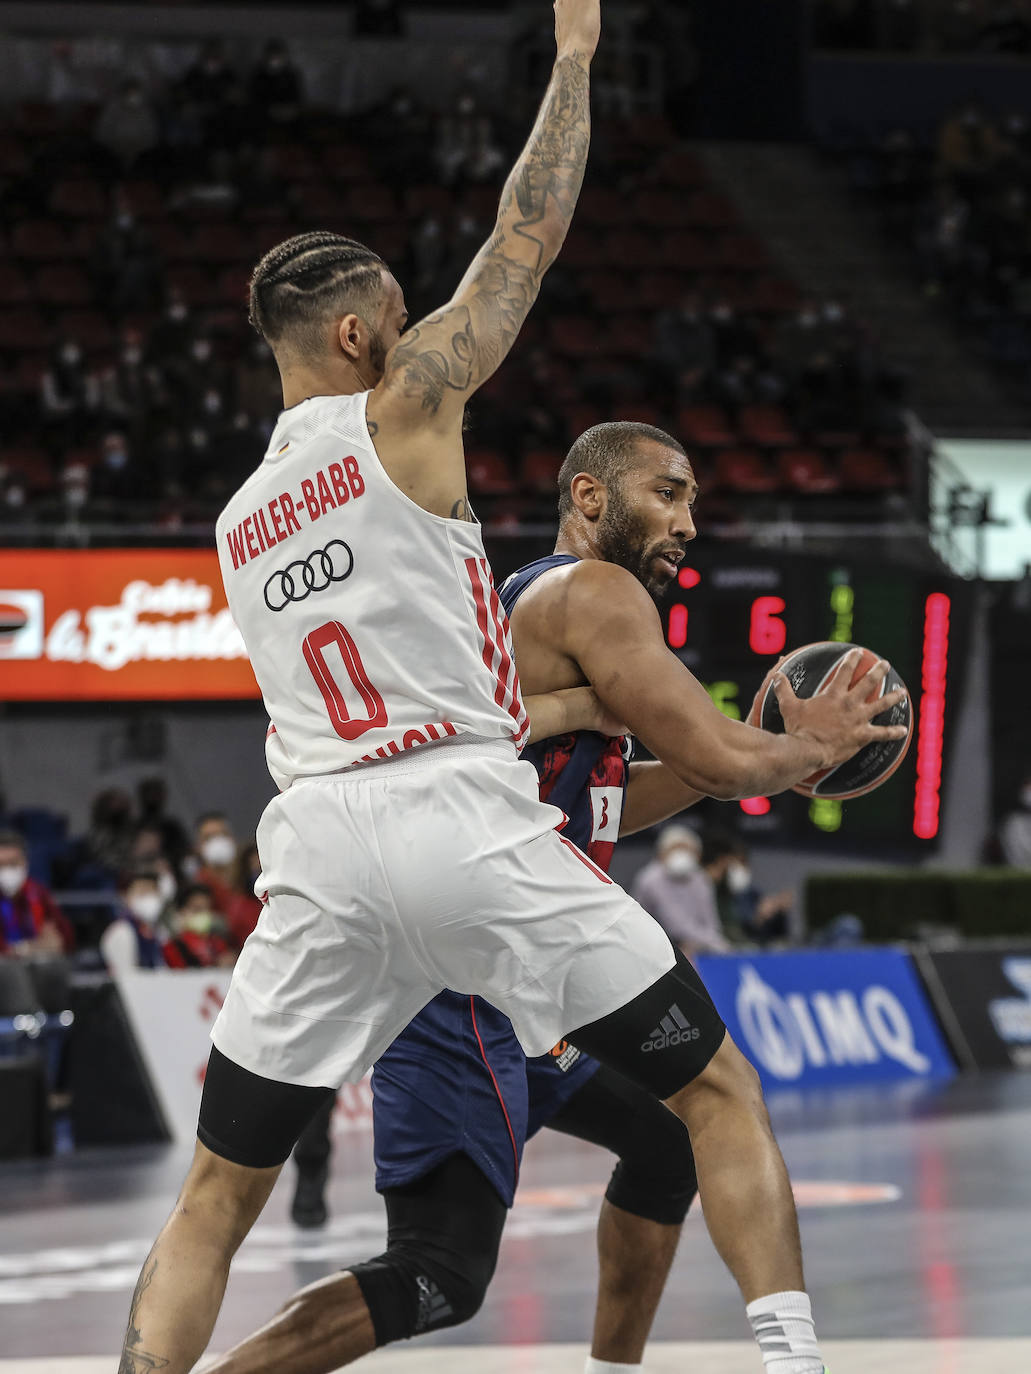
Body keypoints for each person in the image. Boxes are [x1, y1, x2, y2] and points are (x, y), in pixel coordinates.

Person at [117, 6, 903, 1371]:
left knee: (212, 1199)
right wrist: (578, 63)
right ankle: (791, 1359)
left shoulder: (241, 518)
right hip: (455, 818)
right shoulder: (406, 404)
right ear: (368, 331)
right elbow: (525, 236)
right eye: (405, 314)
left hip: (316, 847)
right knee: (713, 1090)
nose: (425, 326)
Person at [631, 823, 730, 957]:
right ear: (662, 853)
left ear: (697, 855)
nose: (681, 854)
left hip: (699, 947)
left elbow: (711, 923)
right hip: (659, 947)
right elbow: (666, 924)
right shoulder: (649, 879)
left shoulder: (701, 879)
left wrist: (713, 944)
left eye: (686, 849)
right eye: (676, 848)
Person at [0, 830, 75, 957]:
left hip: (38, 966)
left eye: (13, 863)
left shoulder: (38, 892)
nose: (7, 871)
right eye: (1, 865)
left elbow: (64, 939)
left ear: (25, 862)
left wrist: (56, 942)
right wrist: (27, 948)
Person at [100, 870, 169, 974]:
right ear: (126, 897)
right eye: (142, 892)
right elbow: (126, 976)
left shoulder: (161, 932)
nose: (149, 897)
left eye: (153, 891)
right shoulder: (121, 932)